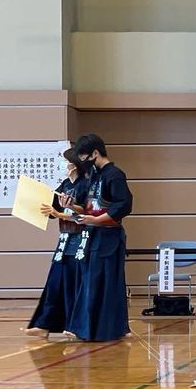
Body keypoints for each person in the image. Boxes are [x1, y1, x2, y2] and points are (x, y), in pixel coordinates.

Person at [66, 134, 133, 342]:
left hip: (109, 239)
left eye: (85, 157)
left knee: (107, 284)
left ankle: (109, 329)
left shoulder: (115, 175)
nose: (83, 163)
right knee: (89, 282)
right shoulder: (94, 177)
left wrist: (96, 220)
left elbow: (123, 206)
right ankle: (85, 327)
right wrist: (71, 206)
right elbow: (87, 207)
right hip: (92, 237)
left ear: (96, 153)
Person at [25, 149, 92, 338]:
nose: (62, 165)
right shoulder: (64, 185)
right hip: (64, 239)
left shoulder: (86, 185)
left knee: (74, 283)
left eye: (64, 162)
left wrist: (60, 213)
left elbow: (84, 214)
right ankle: (44, 323)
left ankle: (74, 325)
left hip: (79, 240)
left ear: (73, 165)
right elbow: (53, 209)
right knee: (55, 281)